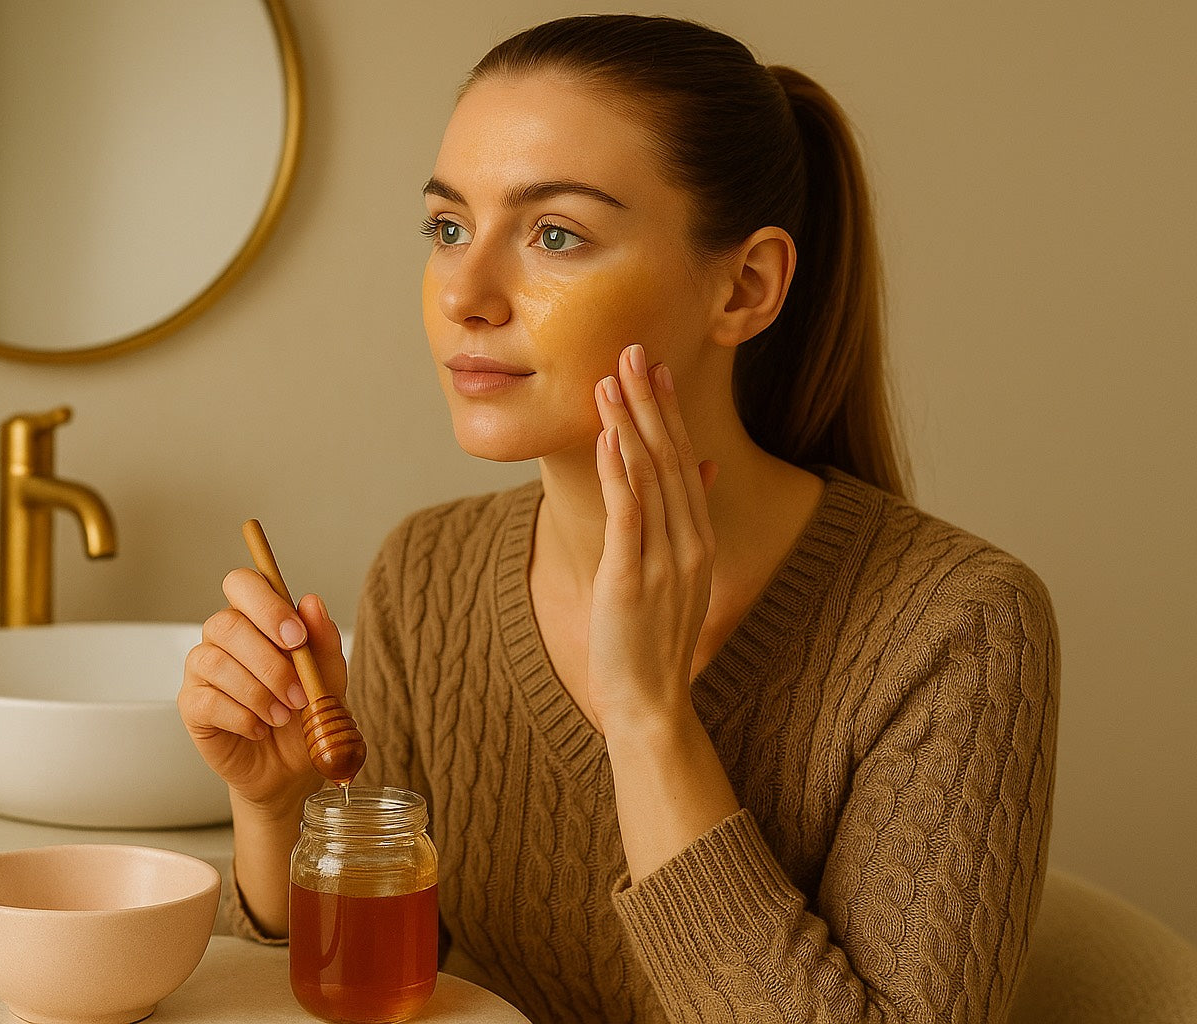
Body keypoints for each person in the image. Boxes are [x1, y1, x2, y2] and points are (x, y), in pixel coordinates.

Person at [178, 13, 1058, 1024]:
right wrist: (276, 810)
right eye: (449, 227)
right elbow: (379, 995)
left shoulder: (961, 627)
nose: (465, 291)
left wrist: (648, 721)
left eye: (554, 235)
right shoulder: (427, 573)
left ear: (747, 286)